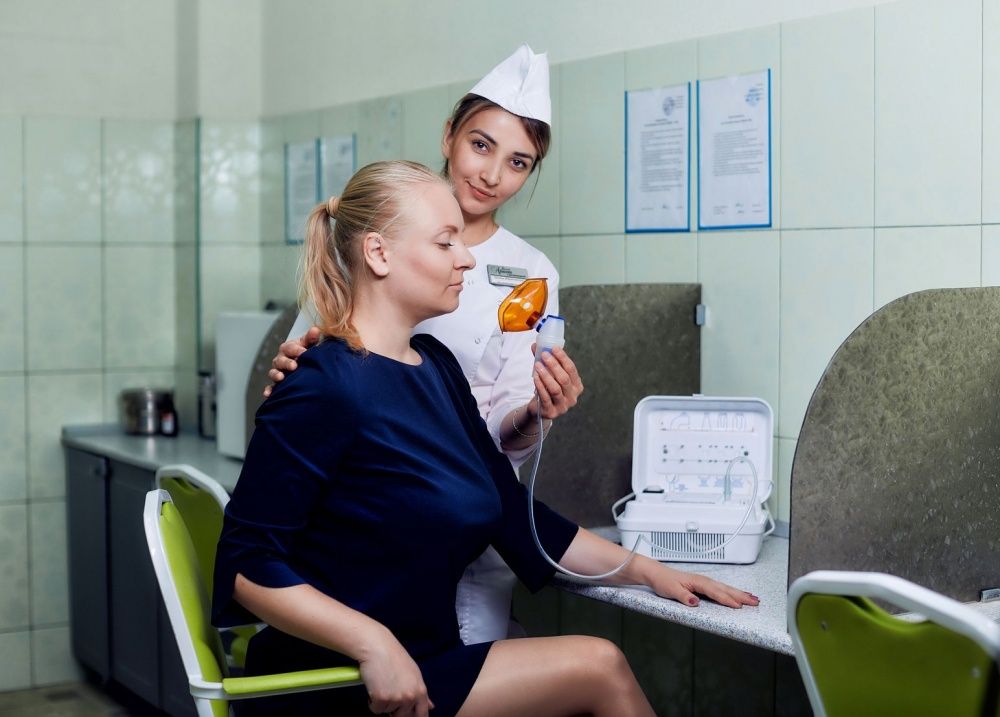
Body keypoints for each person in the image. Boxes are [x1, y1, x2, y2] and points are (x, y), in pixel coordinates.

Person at [214, 160, 759, 717]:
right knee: (600, 667)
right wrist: (373, 644)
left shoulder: (436, 366)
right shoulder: (321, 382)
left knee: (601, 665)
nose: (467, 258)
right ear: (378, 253)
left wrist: (651, 571)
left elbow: (514, 514)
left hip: (425, 658)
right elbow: (245, 564)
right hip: (336, 679)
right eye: (445, 242)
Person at [269, 46, 581, 645]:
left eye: (518, 162)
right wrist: (291, 369)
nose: (491, 175)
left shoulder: (530, 272)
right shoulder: (376, 230)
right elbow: (301, 376)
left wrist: (537, 412)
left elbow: (503, 433)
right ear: (448, 136)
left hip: (472, 515)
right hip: (366, 520)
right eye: (481, 145)